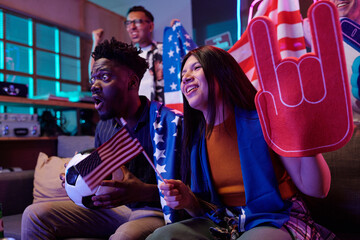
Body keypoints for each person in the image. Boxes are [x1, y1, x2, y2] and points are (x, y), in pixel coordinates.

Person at [146, 46, 335, 240]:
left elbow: (318, 189)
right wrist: (188, 201)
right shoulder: (196, 139)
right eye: (183, 73)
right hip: (225, 222)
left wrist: (307, 137)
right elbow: (207, 211)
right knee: (160, 237)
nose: (186, 77)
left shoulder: (266, 120)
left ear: (223, 73)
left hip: (276, 218)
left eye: (196, 68)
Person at [21, 38, 182, 240]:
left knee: (124, 236)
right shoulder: (105, 125)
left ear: (132, 82)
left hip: (154, 210)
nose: (94, 86)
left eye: (104, 77)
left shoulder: (169, 124)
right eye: (92, 79)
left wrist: (143, 192)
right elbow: (103, 171)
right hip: (114, 209)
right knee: (35, 214)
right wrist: (77, 177)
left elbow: (192, 193)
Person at [89, 6, 164, 103]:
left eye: (138, 22)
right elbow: (94, 74)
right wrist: (96, 42)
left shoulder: (164, 50)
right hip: (136, 112)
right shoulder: (126, 55)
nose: (132, 27)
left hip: (161, 111)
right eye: (128, 23)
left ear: (150, 26)